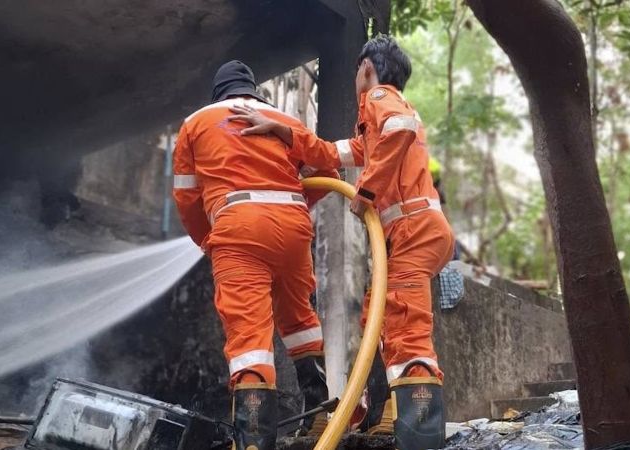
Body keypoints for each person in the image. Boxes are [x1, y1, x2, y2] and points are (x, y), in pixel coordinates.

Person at [228, 36, 454, 449]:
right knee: (381, 318)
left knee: (405, 325)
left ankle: (421, 434)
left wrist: (367, 189)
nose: (355, 80)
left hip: (412, 228)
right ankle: (389, 415)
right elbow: (333, 153)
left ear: (367, 68)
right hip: (416, 229)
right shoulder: (375, 126)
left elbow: (398, 130)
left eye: (355, 72)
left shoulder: (381, 97)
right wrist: (284, 130)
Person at [172, 60, 338, 450]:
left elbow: (187, 197)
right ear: (252, 92)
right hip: (294, 226)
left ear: (219, 93)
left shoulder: (196, 122)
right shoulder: (281, 118)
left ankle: (254, 441)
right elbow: (320, 169)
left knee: (249, 337)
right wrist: (297, 203)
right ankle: (318, 418)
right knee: (301, 321)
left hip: (237, 225)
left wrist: (207, 239)